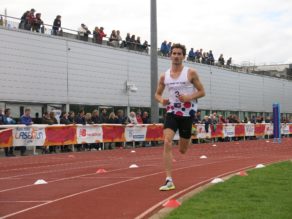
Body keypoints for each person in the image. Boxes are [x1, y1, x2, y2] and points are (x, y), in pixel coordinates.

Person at [155, 43, 205, 191]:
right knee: (167, 142)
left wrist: (189, 97)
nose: (176, 56)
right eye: (174, 53)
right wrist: (161, 100)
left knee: (183, 150)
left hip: (187, 113)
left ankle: (189, 135)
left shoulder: (191, 73)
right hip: (171, 112)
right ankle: (168, 180)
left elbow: (202, 92)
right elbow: (157, 94)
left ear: (183, 56)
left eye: (179, 54)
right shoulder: (165, 76)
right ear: (170, 55)